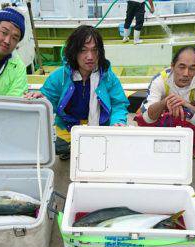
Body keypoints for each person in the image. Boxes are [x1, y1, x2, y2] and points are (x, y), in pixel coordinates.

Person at [25, 25, 129, 160]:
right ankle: (68, 148)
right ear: (74, 52)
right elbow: (49, 98)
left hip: (100, 125)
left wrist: (118, 122)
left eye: (94, 50)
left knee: (105, 152)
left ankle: (84, 145)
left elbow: (118, 104)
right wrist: (42, 97)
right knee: (56, 148)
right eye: (83, 50)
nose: (90, 56)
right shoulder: (59, 76)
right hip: (68, 126)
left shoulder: (108, 77)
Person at [134, 46, 195, 153]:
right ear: (172, 66)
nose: (186, 73)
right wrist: (164, 103)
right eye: (181, 67)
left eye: (192, 68)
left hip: (187, 120)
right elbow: (146, 118)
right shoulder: (160, 80)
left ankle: (189, 144)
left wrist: (187, 107)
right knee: (143, 116)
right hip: (164, 120)